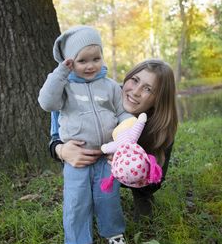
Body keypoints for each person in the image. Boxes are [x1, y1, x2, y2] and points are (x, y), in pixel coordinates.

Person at [38, 25, 132, 244]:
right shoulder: (64, 88)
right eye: (82, 60)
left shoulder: (110, 86)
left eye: (96, 58)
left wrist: (123, 134)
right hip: (76, 158)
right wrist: (60, 73)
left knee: (108, 196)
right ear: (70, 62)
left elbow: (122, 112)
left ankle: (113, 232)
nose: (90, 65)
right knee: (77, 201)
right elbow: (46, 103)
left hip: (105, 156)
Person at [50, 59, 178, 221]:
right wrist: (60, 150)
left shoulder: (162, 125)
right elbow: (55, 129)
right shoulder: (103, 93)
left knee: (145, 210)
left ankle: (140, 195)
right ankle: (90, 193)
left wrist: (135, 164)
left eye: (148, 89)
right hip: (92, 160)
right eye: (135, 80)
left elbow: (157, 181)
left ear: (159, 98)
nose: (136, 91)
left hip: (131, 171)